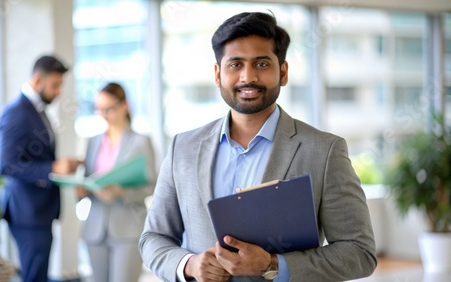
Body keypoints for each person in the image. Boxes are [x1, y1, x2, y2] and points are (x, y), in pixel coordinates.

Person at [139, 12, 377, 282]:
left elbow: (359, 253)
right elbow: (153, 238)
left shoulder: (324, 151)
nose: (247, 77)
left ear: (283, 72)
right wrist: (189, 265)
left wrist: (273, 265)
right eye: (235, 64)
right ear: (218, 74)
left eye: (262, 64)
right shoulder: (183, 148)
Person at [0, 55, 82, 282]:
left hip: (40, 211)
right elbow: (5, 165)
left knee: (39, 275)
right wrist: (51, 167)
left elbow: (33, 155)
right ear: (37, 80)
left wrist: (61, 165)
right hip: (28, 212)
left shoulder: (37, 110)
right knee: (35, 277)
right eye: (55, 85)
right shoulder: (17, 112)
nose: (59, 91)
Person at [75, 82, 157, 282]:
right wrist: (82, 190)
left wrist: (121, 193)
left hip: (127, 227)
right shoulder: (93, 141)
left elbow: (152, 185)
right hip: (95, 227)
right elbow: (88, 179)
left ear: (124, 105)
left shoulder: (141, 141)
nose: (103, 115)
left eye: (108, 109)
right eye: (98, 109)